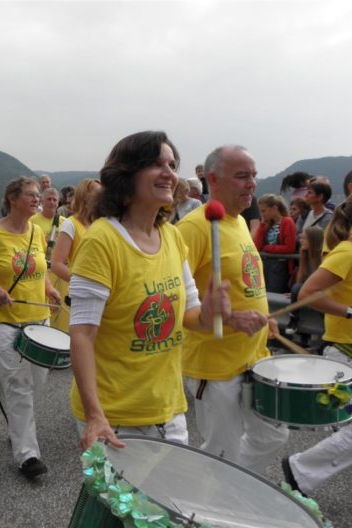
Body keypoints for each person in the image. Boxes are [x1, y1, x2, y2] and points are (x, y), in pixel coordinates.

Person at [69, 131, 232, 450]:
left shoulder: (171, 236)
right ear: (126, 174)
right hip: (115, 418)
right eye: (156, 164)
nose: (170, 173)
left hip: (169, 410)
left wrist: (211, 313)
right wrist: (95, 415)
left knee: (170, 500)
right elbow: (82, 335)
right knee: (123, 503)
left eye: (172, 164)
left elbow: (190, 315)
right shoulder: (101, 241)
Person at [177, 145, 289, 475]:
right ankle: (212, 504)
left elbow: (244, 282)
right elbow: (174, 295)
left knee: (273, 433)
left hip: (254, 355)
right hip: (214, 364)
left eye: (253, 175)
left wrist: (264, 317)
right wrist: (227, 318)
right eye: (242, 176)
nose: (252, 184)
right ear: (213, 179)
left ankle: (232, 487)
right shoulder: (194, 227)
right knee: (220, 451)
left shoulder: (238, 222)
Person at [282, 188, 352, 522]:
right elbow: (309, 293)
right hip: (348, 353)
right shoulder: (346, 253)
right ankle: (298, 470)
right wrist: (351, 313)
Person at [0, 176, 61, 480]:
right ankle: (28, 455)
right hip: (6, 323)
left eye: (38, 196)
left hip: (38, 322)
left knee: (37, 384)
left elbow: (39, 267)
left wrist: (49, 289)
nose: (37, 200)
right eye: (30, 195)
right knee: (18, 387)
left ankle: (17, 430)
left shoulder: (36, 232)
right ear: (12, 199)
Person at [50, 178, 101, 286]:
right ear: (84, 197)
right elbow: (56, 264)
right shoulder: (70, 224)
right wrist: (83, 283)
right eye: (97, 193)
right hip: (82, 292)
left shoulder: (100, 224)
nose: (102, 196)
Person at [30, 187, 68, 332]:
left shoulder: (65, 223)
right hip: (41, 270)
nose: (52, 202)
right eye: (49, 199)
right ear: (42, 201)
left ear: (58, 203)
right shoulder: (33, 220)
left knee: (59, 307)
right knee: (43, 304)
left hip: (59, 272)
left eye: (55, 200)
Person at [284, 226, 324, 337]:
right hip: (310, 291)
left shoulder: (323, 257)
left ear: (313, 240)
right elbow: (301, 278)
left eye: (304, 238)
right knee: (296, 287)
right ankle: (293, 319)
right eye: (301, 238)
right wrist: (295, 293)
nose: (301, 241)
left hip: (322, 292)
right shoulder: (304, 254)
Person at [253, 194, 296, 293]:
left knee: (274, 293)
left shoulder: (287, 222)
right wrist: (262, 225)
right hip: (266, 265)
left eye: (264, 211)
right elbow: (258, 246)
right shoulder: (268, 224)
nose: (262, 214)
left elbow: (290, 248)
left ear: (274, 208)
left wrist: (268, 248)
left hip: (280, 267)